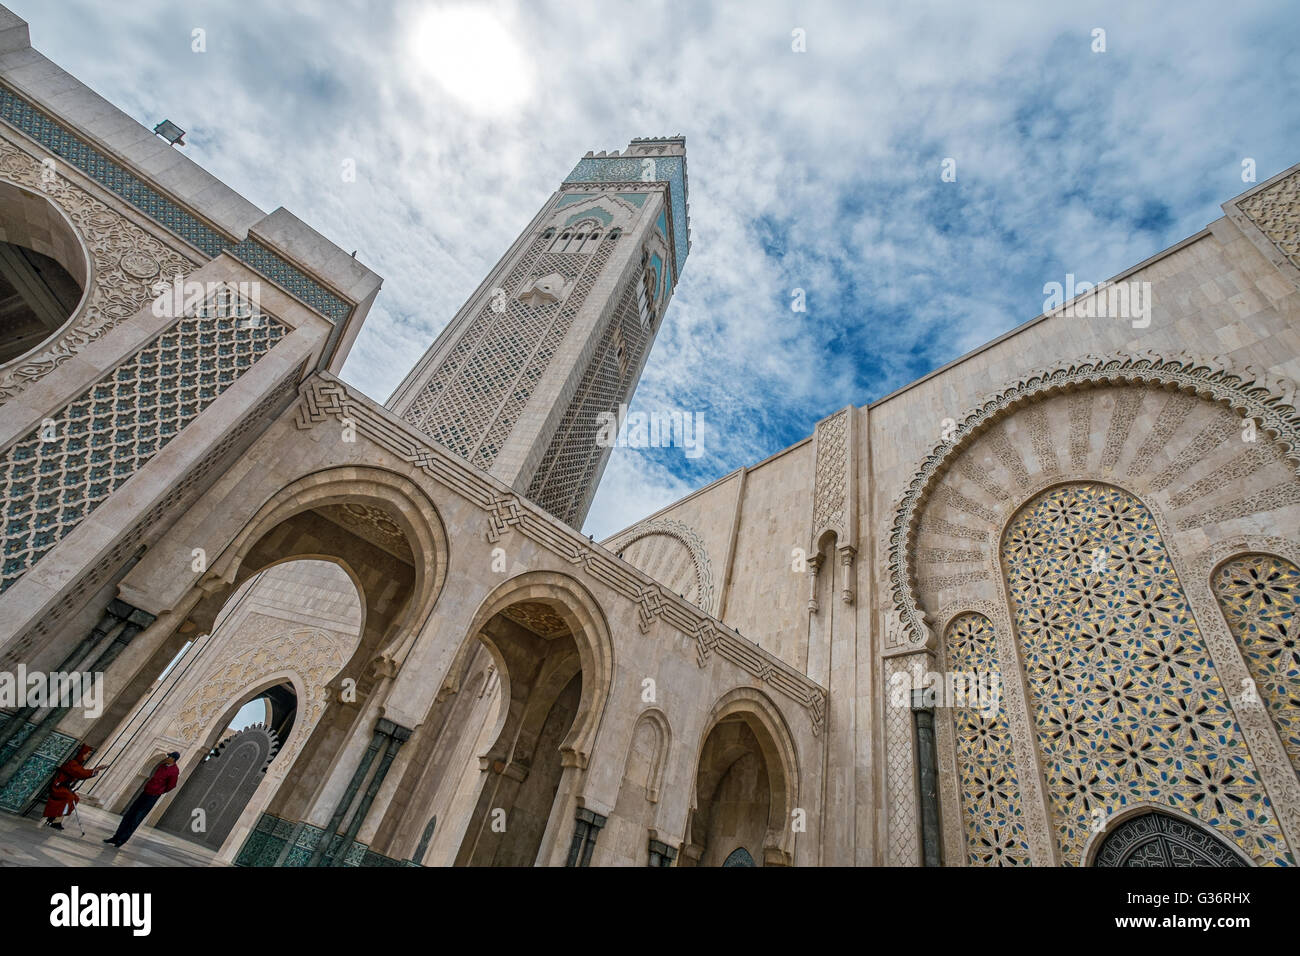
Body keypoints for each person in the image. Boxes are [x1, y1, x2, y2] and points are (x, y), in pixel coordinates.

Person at [103, 752, 180, 848]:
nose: (167, 757)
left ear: (173, 759)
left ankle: (121, 840)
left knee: (136, 818)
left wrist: (159, 791)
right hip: (146, 792)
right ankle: (115, 837)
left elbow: (172, 785)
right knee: (129, 815)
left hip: (153, 796)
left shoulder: (174, 771)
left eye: (169, 757)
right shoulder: (162, 766)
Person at [42, 744, 106, 831]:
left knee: (75, 798)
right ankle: (54, 820)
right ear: (82, 753)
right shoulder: (72, 763)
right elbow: (81, 774)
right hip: (58, 787)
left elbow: (81, 773)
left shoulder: (77, 764)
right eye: (87, 754)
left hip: (64, 787)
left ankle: (56, 819)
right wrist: (96, 769)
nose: (87, 756)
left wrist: (95, 770)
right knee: (69, 797)